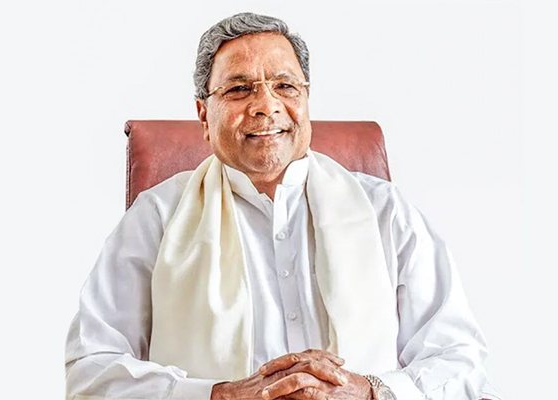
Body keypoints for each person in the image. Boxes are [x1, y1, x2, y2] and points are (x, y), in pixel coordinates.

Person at [65, 12, 501, 400]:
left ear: (306, 101)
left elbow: (459, 359)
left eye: (285, 86)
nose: (266, 106)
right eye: (239, 89)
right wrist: (219, 396)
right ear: (203, 115)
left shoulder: (384, 211)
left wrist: (368, 392)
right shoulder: (157, 216)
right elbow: (91, 369)